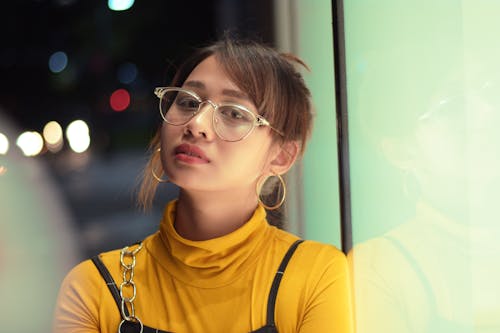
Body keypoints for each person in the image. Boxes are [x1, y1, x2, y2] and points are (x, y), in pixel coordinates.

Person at [53, 37, 354, 333]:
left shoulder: (314, 275)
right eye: (187, 102)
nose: (196, 124)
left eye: (233, 113)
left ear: (281, 155)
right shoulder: (96, 288)